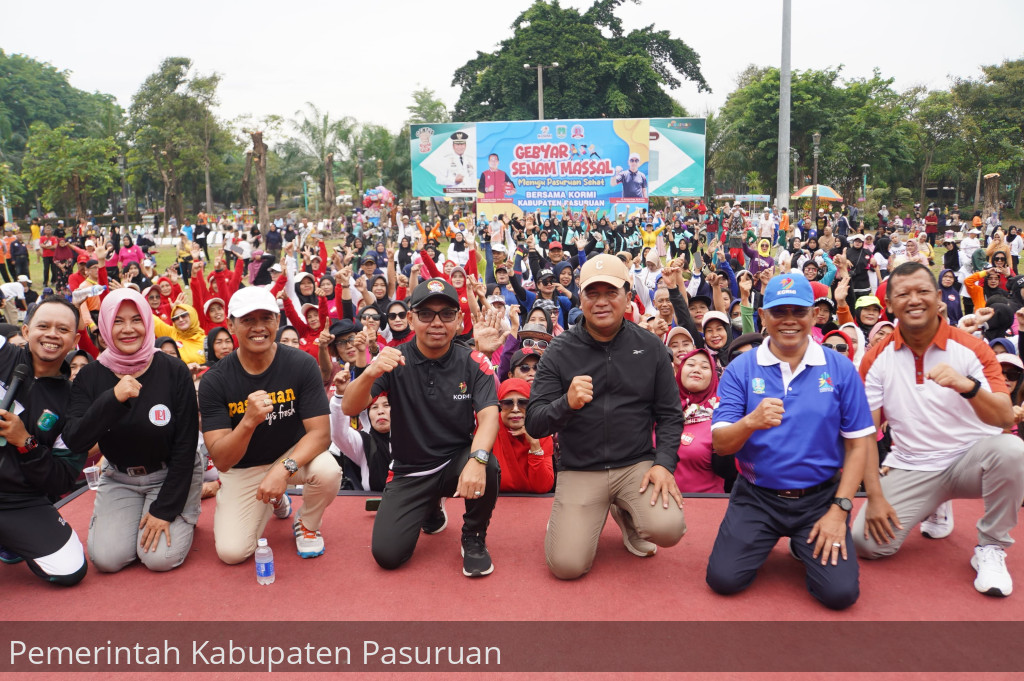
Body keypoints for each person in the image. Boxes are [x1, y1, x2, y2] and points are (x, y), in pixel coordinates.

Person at [853, 262, 1024, 597]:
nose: (914, 299)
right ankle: (935, 505)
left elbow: (1005, 418)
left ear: (938, 298)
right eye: (903, 293)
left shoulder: (972, 348)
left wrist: (968, 386)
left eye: (922, 291)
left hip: (971, 462)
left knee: (1013, 451)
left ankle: (991, 547)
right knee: (867, 544)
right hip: (911, 465)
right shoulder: (876, 358)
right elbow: (864, 433)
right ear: (889, 304)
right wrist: (874, 495)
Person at [707, 272, 875, 610]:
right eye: (778, 311)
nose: (789, 321)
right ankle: (764, 536)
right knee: (723, 580)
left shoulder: (840, 368)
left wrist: (839, 510)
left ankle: (803, 542)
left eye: (798, 312)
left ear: (813, 315)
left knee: (840, 595)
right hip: (757, 496)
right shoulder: (742, 369)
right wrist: (751, 422)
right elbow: (722, 445)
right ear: (764, 316)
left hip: (820, 499)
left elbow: (859, 444)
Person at [526, 254, 686, 579]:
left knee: (669, 529)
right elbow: (535, 421)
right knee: (566, 567)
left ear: (628, 296)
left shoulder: (651, 347)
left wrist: (663, 464)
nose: (601, 302)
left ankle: (627, 514)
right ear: (580, 297)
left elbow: (670, 415)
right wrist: (566, 403)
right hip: (581, 467)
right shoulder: (559, 351)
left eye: (610, 292)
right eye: (592, 293)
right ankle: (584, 514)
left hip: (635, 466)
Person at [341, 278, 500, 577]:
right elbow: (350, 407)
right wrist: (369, 371)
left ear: (459, 320)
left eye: (446, 314)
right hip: (410, 471)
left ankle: (474, 536)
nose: (436, 322)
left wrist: (477, 460)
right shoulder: (394, 359)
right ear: (411, 318)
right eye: (426, 314)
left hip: (456, 462)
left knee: (487, 464)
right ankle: (430, 509)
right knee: (387, 556)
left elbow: (490, 416)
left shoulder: (474, 362)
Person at [197, 286, 339, 564]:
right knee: (232, 553)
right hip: (242, 468)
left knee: (328, 470)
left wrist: (282, 471)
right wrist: (248, 422)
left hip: (291, 456)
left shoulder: (301, 364)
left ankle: (307, 523)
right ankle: (276, 500)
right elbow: (222, 461)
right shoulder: (215, 380)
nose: (258, 327)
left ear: (277, 321)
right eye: (248, 320)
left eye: (266, 318)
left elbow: (321, 434)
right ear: (231, 325)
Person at [63, 289, 202, 573]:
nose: (128, 329)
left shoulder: (173, 370)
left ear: (149, 322)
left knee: (158, 558)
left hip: (169, 474)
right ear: (104, 326)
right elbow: (75, 438)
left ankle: (183, 510)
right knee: (106, 560)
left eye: (137, 319)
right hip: (120, 477)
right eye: (118, 320)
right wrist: (112, 399)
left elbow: (186, 444)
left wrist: (165, 509)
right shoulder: (90, 376)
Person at [0, 297, 88, 585]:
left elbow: (62, 480)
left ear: (75, 339)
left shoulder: (74, 401)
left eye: (62, 329)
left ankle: (11, 539)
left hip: (20, 502)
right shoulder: (4, 356)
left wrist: (25, 442)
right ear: (26, 331)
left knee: (71, 569)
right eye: (43, 325)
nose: (52, 334)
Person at [493, 378, 554, 494]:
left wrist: (535, 444)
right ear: (500, 405)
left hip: (533, 507)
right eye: (507, 403)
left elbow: (543, 486)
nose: (515, 409)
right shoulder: (489, 428)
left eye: (523, 403)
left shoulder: (541, 431)